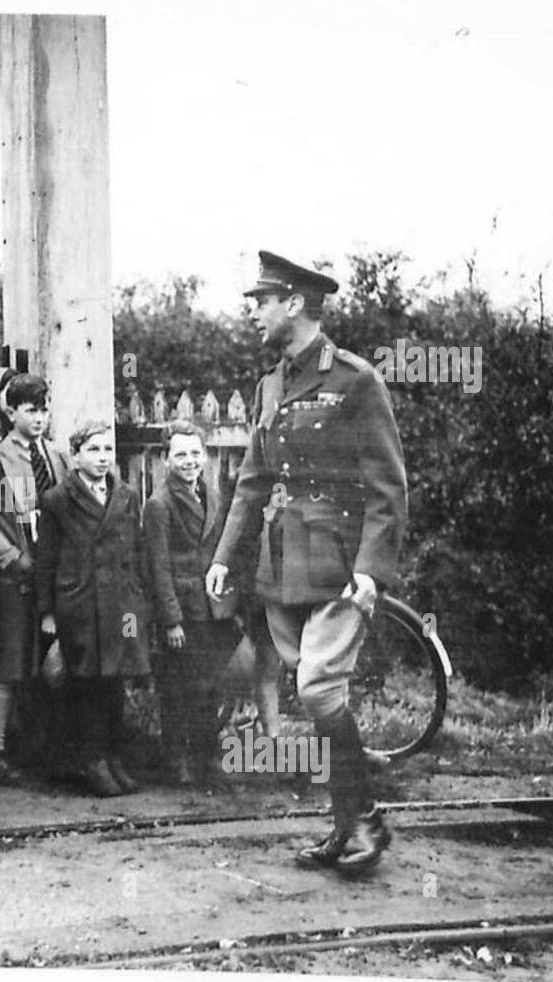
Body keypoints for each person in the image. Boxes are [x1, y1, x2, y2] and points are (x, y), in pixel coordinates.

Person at [206, 251, 408, 872]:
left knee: (318, 688)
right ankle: (346, 823)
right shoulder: (271, 384)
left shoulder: (355, 380)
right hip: (282, 566)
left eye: (262, 302)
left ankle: (367, 821)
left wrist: (373, 570)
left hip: (341, 567)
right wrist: (225, 559)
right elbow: (252, 481)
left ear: (294, 303)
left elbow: (388, 487)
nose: (255, 314)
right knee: (315, 693)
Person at [35, 420, 151, 798]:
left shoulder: (127, 495)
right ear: (76, 454)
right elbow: (46, 560)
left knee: (115, 680)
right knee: (86, 683)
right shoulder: (58, 499)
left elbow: (135, 549)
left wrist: (136, 598)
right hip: (81, 604)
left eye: (108, 451)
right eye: (94, 450)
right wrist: (48, 612)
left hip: (120, 604)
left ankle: (113, 755)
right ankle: (92, 759)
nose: (102, 458)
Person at [0, 373, 71, 784]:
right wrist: (14, 560)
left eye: (44, 409)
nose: (39, 418)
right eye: (31, 410)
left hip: (56, 577)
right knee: (12, 662)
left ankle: (43, 747)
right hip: (18, 578)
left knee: (51, 663)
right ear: (12, 413)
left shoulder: (57, 457)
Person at [143, 422, 242, 785]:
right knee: (178, 688)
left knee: (209, 685)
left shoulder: (211, 494)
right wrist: (170, 621)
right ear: (166, 459)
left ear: (205, 455)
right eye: (180, 455)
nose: (189, 461)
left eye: (195, 453)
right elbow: (158, 566)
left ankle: (208, 755)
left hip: (212, 607)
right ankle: (177, 758)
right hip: (183, 611)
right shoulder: (159, 504)